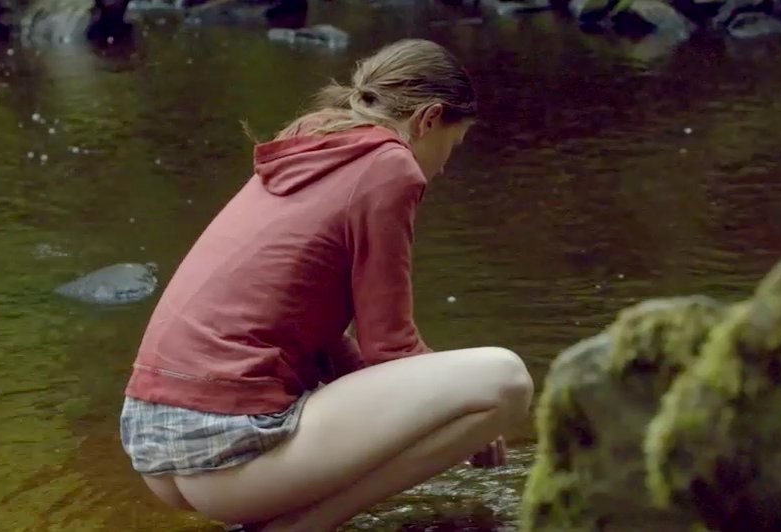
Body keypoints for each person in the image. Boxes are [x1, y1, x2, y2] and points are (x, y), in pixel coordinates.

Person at [118, 38, 535, 532]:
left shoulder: (314, 144)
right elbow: (391, 348)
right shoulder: (389, 165)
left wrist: (438, 404)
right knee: (505, 379)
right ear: (428, 119)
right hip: (226, 451)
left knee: (468, 386)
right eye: (453, 143)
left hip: (154, 437)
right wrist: (463, 412)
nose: (444, 165)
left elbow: (313, 328)